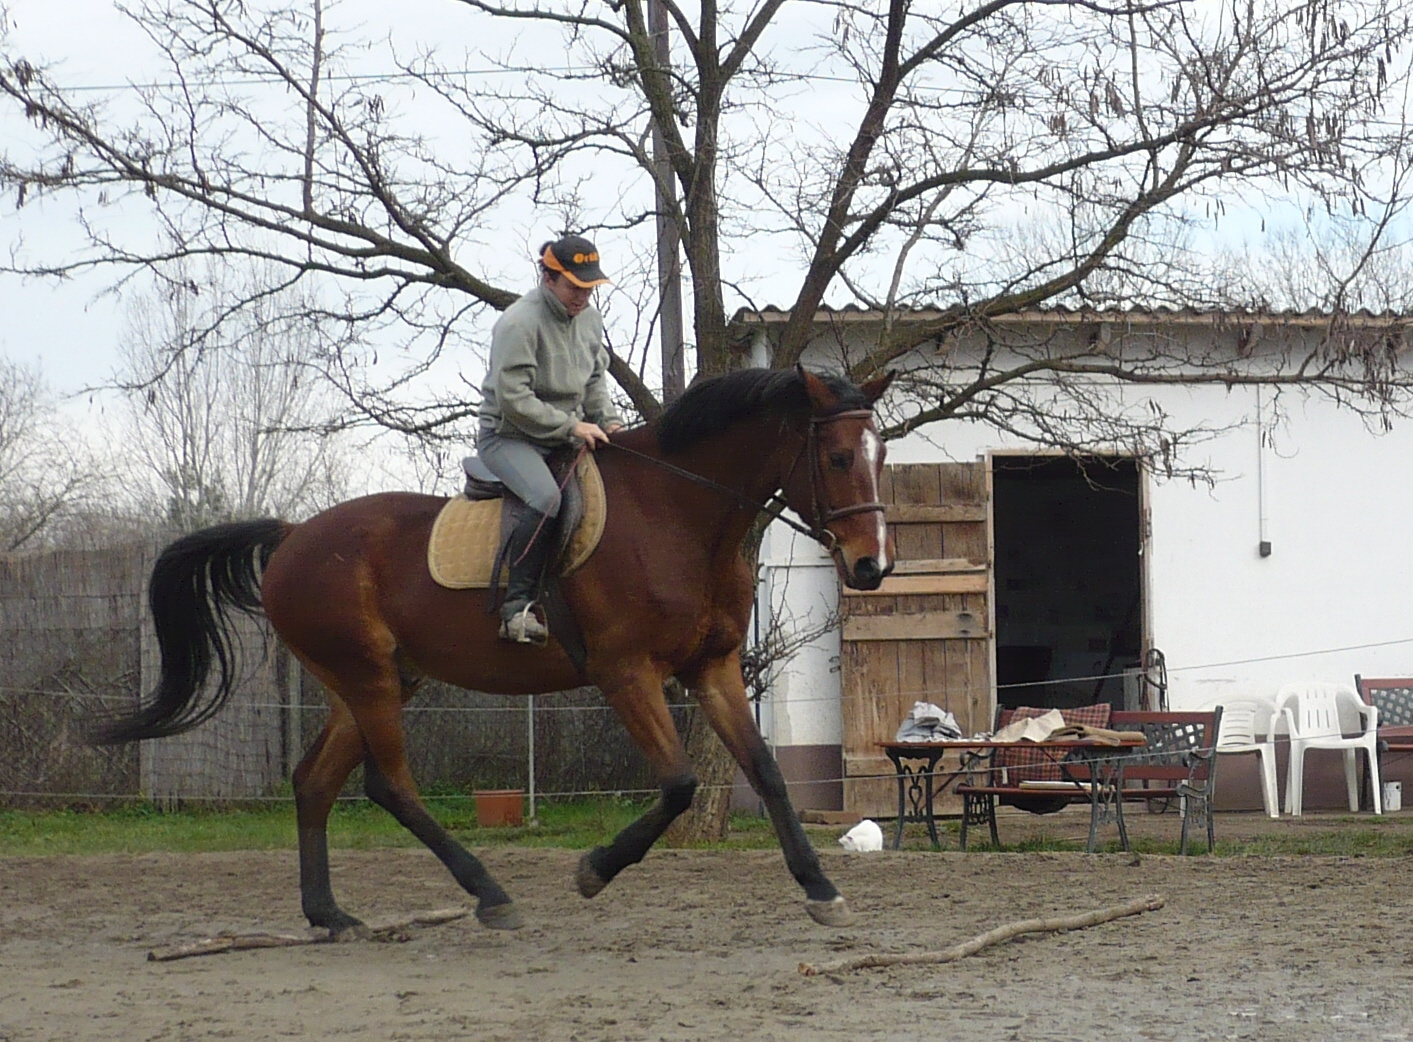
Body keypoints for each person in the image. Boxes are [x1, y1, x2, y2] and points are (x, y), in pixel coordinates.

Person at [476, 234, 624, 643]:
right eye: (574, 287)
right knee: (546, 499)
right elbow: (514, 399)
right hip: (509, 437)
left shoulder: (589, 320)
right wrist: (572, 427)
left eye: (589, 288)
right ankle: (516, 608)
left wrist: (608, 422)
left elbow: (595, 379)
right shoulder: (518, 323)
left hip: (565, 434)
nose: (582, 297)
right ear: (548, 277)